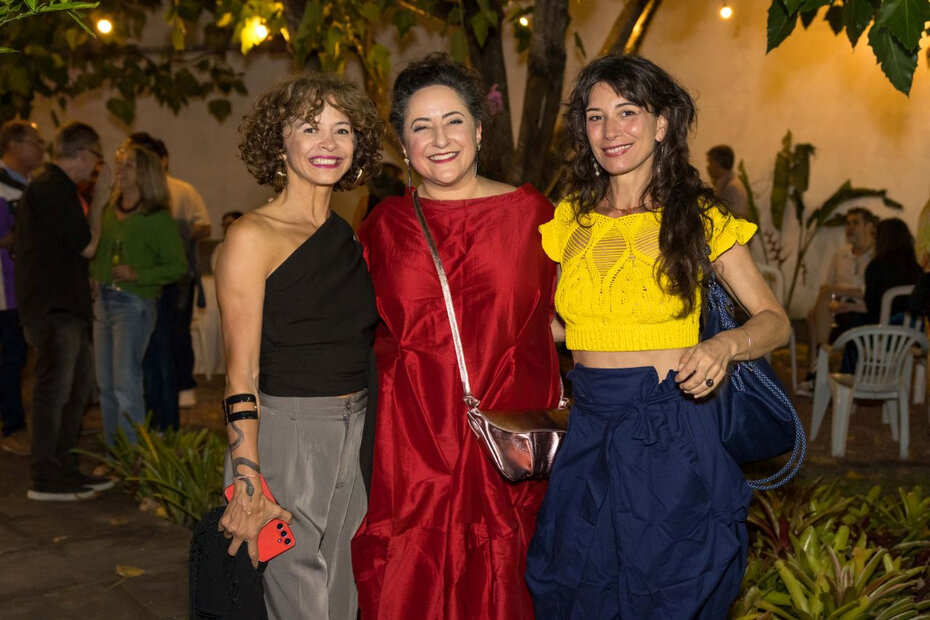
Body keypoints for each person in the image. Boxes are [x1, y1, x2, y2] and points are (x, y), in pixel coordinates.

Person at [524, 53, 790, 618]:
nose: (611, 131)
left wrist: (724, 346)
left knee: (667, 591)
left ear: (661, 123)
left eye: (627, 112)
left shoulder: (696, 214)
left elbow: (774, 319)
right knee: (577, 585)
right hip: (589, 426)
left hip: (669, 425)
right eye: (596, 117)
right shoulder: (569, 219)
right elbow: (560, 326)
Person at [351, 53, 562, 619]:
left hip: (506, 441)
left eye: (453, 121)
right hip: (412, 443)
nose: (439, 139)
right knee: (408, 580)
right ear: (402, 143)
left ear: (479, 130)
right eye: (421, 126)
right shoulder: (384, 227)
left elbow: (562, 319)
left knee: (504, 578)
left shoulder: (533, 216)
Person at [216, 72, 382, 619]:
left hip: (355, 431)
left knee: (342, 591)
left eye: (342, 129)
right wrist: (247, 477)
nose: (328, 143)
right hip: (286, 435)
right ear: (280, 140)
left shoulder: (346, 236)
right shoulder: (251, 237)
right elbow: (240, 374)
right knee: (299, 594)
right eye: (310, 127)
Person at [14, 121, 114, 500]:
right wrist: (101, 200)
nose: (98, 169)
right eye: (97, 159)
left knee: (75, 389)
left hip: (63, 305)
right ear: (84, 154)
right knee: (56, 391)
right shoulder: (52, 186)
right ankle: (46, 475)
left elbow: (65, 249)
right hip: (53, 308)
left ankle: (65, 467)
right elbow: (87, 245)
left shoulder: (55, 187)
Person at [89, 142, 187, 445]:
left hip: (133, 304)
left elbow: (178, 266)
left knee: (125, 385)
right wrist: (93, 275)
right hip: (102, 301)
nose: (120, 169)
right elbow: (96, 249)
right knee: (105, 386)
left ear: (145, 173)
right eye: (119, 163)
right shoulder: (107, 209)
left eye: (128, 164)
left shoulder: (156, 218)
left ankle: (132, 458)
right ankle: (113, 454)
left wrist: (138, 275)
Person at [128, 133, 211, 431]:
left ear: (161, 160)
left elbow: (204, 225)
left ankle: (179, 394)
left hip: (175, 280)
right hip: (139, 285)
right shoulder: (128, 194)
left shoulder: (179, 191)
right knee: (151, 347)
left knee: (174, 336)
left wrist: (182, 233)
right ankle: (155, 412)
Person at [0, 120, 45, 455]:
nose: (42, 146)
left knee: (20, 359)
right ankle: (12, 427)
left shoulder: (30, 185)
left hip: (26, 286)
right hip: (4, 289)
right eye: (35, 141)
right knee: (10, 358)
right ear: (14, 144)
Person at [798, 206, 876, 395]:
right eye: (847, 223)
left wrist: (840, 293)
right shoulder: (840, 255)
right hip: (837, 309)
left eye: (855, 223)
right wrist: (834, 300)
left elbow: (873, 294)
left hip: (864, 308)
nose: (850, 228)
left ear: (869, 226)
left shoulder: (877, 256)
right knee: (813, 313)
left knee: (817, 315)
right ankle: (818, 367)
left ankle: (817, 367)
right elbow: (828, 287)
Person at [706, 144, 748, 218]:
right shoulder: (725, 184)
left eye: (710, 163)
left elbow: (736, 218)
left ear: (716, 164)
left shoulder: (733, 187)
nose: (708, 167)